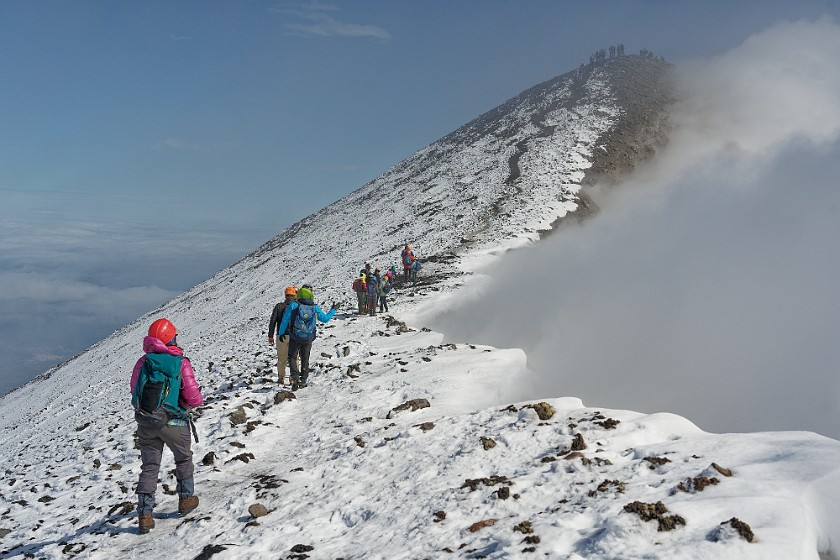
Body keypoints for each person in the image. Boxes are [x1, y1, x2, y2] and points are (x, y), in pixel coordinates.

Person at [130, 318, 203, 534]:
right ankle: (186, 499)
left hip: (146, 422)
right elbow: (193, 398)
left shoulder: (143, 363)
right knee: (183, 458)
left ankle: (144, 515)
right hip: (174, 422)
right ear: (170, 338)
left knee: (150, 467)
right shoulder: (180, 362)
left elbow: (135, 389)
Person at [276, 286, 336, 391]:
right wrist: (333, 310)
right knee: (305, 358)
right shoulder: (314, 307)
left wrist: (281, 333)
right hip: (308, 337)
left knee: (292, 357)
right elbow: (325, 319)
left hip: (295, 336)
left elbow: (285, 320)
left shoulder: (294, 305)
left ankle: (294, 377)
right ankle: (303, 380)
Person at [268, 286, 298, 385]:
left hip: (281, 336)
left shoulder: (279, 306)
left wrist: (270, 336)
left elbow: (273, 321)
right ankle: (293, 378)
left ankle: (281, 378)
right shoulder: (297, 305)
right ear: (294, 295)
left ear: (285, 295)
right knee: (294, 358)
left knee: (282, 359)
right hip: (294, 336)